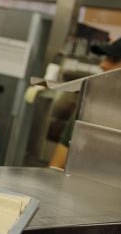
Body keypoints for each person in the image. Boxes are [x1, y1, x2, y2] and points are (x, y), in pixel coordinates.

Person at [49, 37, 121, 169]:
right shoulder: (89, 104)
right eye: (105, 58)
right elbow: (58, 163)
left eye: (114, 59)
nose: (103, 64)